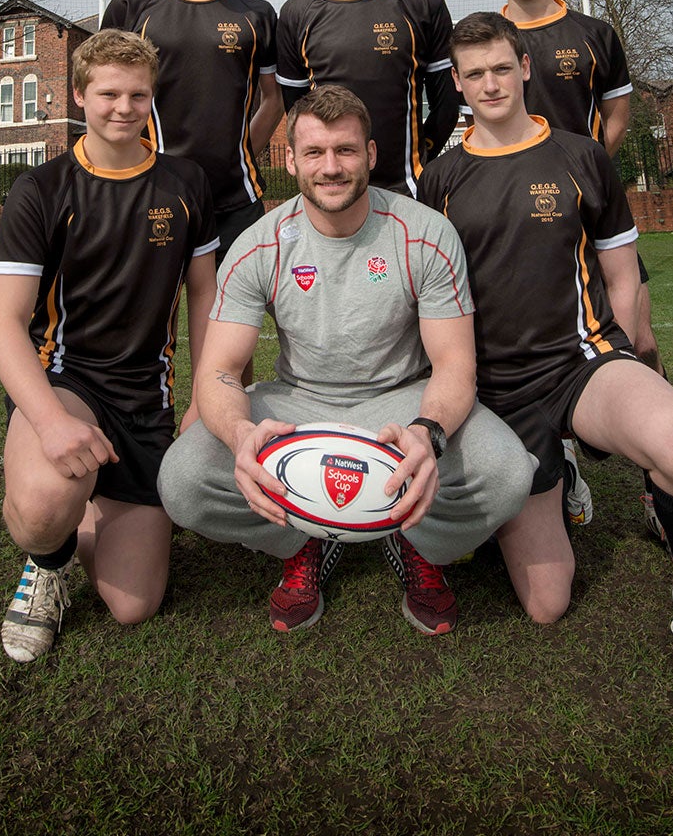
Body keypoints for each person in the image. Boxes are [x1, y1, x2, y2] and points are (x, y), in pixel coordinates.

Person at [418, 12, 673, 712]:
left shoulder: (580, 154)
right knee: (545, 603)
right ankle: (547, 474)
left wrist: (627, 362)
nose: (489, 83)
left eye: (501, 68)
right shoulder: (439, 176)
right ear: (459, 84)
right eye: (473, 74)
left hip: (580, 361)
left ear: (525, 67)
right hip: (493, 390)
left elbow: (623, 276)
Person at [158, 84, 535, 636]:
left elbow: (454, 367)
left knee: (507, 473)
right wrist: (239, 433)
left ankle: (413, 538)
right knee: (184, 482)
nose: (330, 167)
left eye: (345, 151)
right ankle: (305, 536)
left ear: (371, 155)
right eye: (313, 152)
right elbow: (217, 371)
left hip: (402, 403)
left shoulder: (425, 233)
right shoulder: (259, 244)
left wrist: (428, 432)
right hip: (298, 404)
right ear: (289, 159)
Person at [0, 30, 218, 662]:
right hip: (69, 382)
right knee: (40, 506)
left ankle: (92, 502)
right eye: (108, 93)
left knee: (132, 607)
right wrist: (50, 422)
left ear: (153, 98)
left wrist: (206, 395)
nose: (123, 107)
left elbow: (205, 299)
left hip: (148, 398)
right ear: (81, 94)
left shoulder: (186, 183)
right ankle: (48, 564)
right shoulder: (42, 190)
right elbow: (4, 325)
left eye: (138, 95)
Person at [488, 0, 664, 535]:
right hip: (517, 232)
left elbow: (615, 120)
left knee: (639, 341)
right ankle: (556, 463)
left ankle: (658, 490)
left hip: (589, 221)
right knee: (522, 351)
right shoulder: (485, 37)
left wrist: (579, 183)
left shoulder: (594, 33)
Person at [102, 0, 282, 264]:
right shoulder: (131, 8)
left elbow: (274, 97)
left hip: (235, 203)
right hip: (148, 194)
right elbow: (105, 98)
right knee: (144, 319)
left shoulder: (257, 15)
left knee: (231, 320)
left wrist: (244, 152)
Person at [276, 0, 459, 196]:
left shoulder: (422, 2)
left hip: (407, 191)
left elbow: (445, 104)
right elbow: (295, 111)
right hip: (331, 193)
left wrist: (421, 152)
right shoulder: (296, 13)